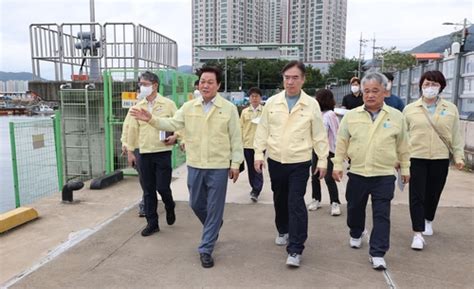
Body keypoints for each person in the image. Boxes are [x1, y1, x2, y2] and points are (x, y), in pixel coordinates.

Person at [130, 66, 243, 269]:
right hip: (196, 164)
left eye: (210, 82)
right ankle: (214, 224)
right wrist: (152, 119)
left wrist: (235, 163)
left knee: (215, 207)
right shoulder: (189, 107)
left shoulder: (228, 109)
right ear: (198, 84)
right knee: (196, 204)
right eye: (202, 81)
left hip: (218, 165)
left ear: (218, 85)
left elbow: (236, 138)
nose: (205, 85)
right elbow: (172, 123)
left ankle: (206, 248)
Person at [254, 61, 329, 268]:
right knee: (280, 198)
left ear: (303, 80)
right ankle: (283, 229)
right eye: (287, 77)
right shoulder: (273, 102)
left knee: (295, 201)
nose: (290, 81)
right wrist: (258, 155)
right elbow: (262, 130)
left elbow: (319, 135)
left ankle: (296, 248)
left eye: (295, 77)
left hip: (299, 161)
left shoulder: (311, 104)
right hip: (276, 160)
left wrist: (322, 159)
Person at [332, 72, 410, 270]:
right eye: (367, 91)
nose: (370, 95)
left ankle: (378, 252)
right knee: (354, 208)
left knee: (382, 214)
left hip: (383, 174)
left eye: (375, 91)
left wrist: (405, 167)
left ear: (385, 91)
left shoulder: (396, 117)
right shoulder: (351, 116)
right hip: (358, 173)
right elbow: (341, 143)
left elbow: (403, 145)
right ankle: (356, 232)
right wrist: (337, 165)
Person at [403, 70, 465, 251]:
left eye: (434, 84)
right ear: (421, 86)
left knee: (433, 192)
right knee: (416, 195)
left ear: (441, 87)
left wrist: (459, 156)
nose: (430, 88)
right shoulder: (410, 109)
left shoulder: (450, 109)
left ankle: (428, 219)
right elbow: (403, 137)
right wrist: (400, 158)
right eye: (426, 84)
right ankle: (417, 233)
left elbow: (456, 135)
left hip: (440, 157)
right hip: (416, 157)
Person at [126, 71, 178, 237]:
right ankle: (152, 223)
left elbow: (178, 124)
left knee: (162, 187)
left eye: (145, 84)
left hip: (162, 152)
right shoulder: (136, 106)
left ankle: (170, 206)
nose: (142, 87)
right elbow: (130, 129)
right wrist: (130, 151)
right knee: (148, 190)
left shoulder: (168, 104)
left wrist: (176, 137)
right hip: (143, 153)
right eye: (140, 84)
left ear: (155, 85)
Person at [307, 89, 341, 216]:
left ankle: (335, 202)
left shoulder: (330, 115)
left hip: (329, 152)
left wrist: (339, 153)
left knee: (329, 177)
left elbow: (336, 133)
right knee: (315, 176)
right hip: (316, 151)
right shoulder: (316, 114)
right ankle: (316, 199)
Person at [240, 87, 264, 202]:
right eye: (252, 96)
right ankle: (253, 187)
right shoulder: (245, 112)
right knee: (250, 167)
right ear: (249, 98)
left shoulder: (264, 111)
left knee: (258, 167)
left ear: (260, 98)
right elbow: (240, 127)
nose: (254, 98)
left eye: (257, 96)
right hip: (247, 144)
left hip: (260, 145)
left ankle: (256, 190)